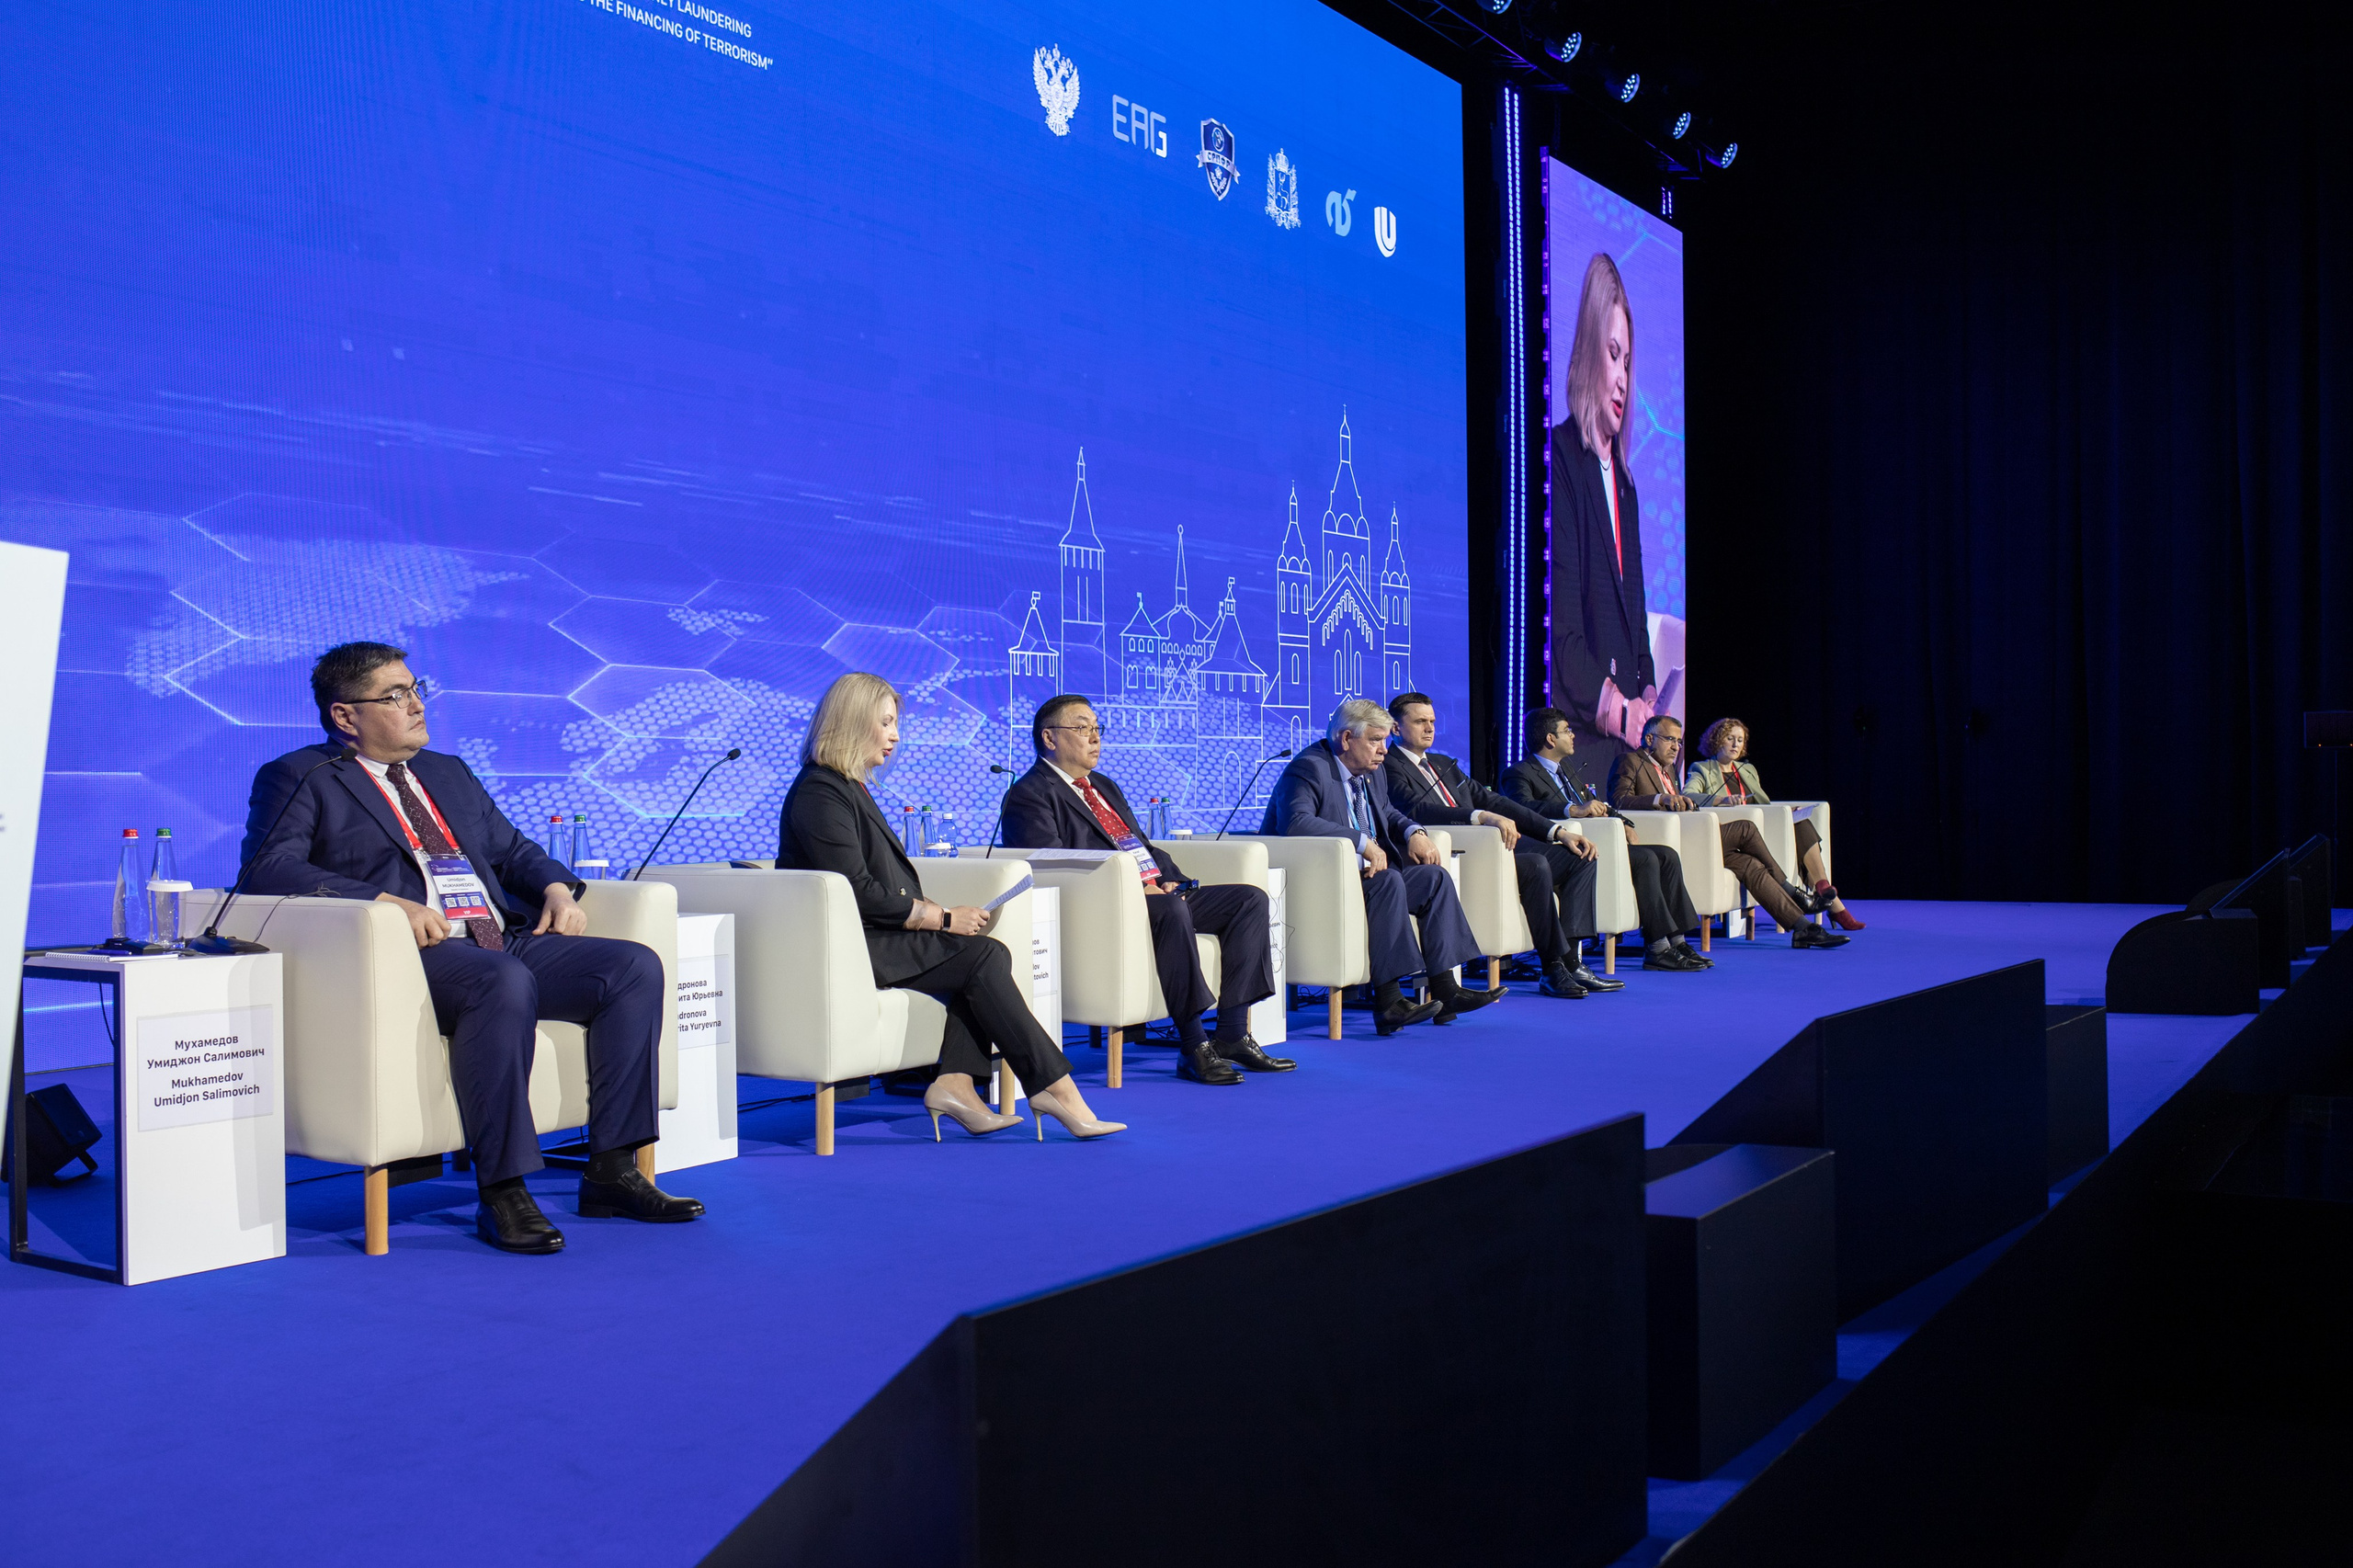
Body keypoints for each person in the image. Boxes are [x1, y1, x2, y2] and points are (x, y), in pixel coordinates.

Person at [241, 642, 702, 1256]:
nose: (415, 705)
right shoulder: (304, 776)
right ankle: (504, 1189)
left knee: (630, 966)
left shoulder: (447, 773)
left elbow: (512, 851)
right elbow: (267, 869)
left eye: (415, 689)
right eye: (394, 695)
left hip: (496, 936)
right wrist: (385, 903)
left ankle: (614, 1170)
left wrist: (557, 890)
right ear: (344, 716)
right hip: (410, 957)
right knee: (500, 981)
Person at [778, 672, 1124, 1140]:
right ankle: (1054, 1088)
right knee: (982, 955)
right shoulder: (820, 791)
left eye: (895, 723)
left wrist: (933, 914)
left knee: (984, 952)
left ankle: (958, 1084)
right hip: (851, 946)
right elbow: (854, 889)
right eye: (885, 723)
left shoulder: (847, 787)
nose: (895, 735)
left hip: (875, 937)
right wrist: (937, 917)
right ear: (851, 723)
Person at [1002, 694, 1290, 1085]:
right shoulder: (1029, 794)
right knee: (1173, 911)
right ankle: (1193, 1046)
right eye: (1082, 728)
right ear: (1049, 738)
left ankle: (1232, 1034)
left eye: (1096, 728)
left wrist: (1170, 877)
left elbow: (1141, 844)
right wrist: (1135, 887)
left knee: (1248, 900)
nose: (1095, 738)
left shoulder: (1102, 785)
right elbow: (1052, 865)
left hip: (1152, 894)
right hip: (1104, 904)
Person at [1262, 699, 1498, 1035]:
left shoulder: (1371, 772)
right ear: (1346, 739)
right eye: (1375, 740)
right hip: (1322, 882)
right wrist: (1362, 842)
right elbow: (1296, 823)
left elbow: (1386, 811)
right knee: (1389, 881)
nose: (1384, 750)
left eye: (1386, 740)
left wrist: (1412, 831)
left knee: (1433, 878)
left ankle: (1447, 989)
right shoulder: (1310, 767)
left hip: (1364, 877)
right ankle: (1389, 1003)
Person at [1380, 692, 1622, 1000]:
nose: (1429, 728)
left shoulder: (1443, 763)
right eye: (1420, 722)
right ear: (1396, 729)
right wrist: (1480, 817)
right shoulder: (1387, 766)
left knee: (1579, 856)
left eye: (1432, 722)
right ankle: (1553, 967)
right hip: (1458, 856)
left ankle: (1571, 961)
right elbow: (1414, 810)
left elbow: (1494, 800)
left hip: (1492, 850)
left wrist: (1558, 832)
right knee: (1535, 864)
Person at [1552, 252, 1666, 762]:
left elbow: (1636, 615)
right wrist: (1618, 709)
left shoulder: (1625, 483)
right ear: (1586, 352)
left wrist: (1647, 692)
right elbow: (1565, 631)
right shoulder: (1558, 459)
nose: (1622, 377)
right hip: (1581, 736)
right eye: (1612, 353)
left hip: (1629, 741)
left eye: (1628, 360)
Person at [1609, 716, 1848, 950]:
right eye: (1669, 739)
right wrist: (1660, 799)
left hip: (1690, 836)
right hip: (1665, 844)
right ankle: (1789, 889)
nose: (1675, 747)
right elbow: (1618, 800)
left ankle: (1802, 928)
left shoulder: (1669, 769)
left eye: (1679, 741)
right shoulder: (1630, 760)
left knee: (1750, 865)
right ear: (1649, 738)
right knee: (1745, 828)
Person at [1501, 707, 1711, 971]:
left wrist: (1623, 823)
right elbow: (1524, 809)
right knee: (1646, 858)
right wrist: (1571, 810)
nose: (1573, 735)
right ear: (1551, 739)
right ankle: (1658, 948)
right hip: (1563, 850)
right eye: (1567, 731)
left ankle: (1677, 941)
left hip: (1599, 841)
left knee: (1665, 854)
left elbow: (1599, 803)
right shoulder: (1519, 773)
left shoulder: (1566, 769)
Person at [1687, 718, 1863, 931]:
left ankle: (1822, 886)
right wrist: (1720, 800)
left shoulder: (1747, 770)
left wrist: (1784, 813)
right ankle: (1835, 906)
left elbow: (1764, 803)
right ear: (1716, 740)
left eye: (1740, 740)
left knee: (1802, 824)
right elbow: (1689, 796)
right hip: (1738, 835)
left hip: (1762, 828)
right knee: (1798, 831)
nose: (1735, 744)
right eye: (1730, 738)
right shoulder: (1702, 769)